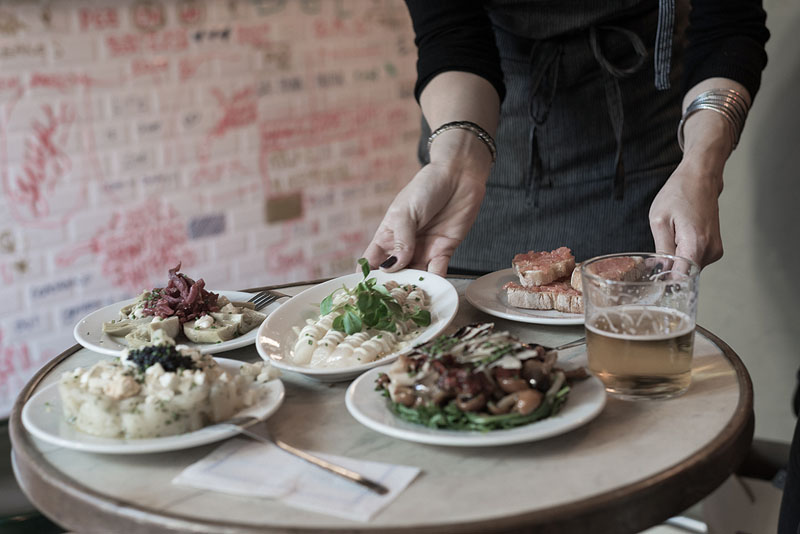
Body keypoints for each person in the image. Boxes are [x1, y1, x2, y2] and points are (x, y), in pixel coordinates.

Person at [363, 0, 769, 276]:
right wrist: (454, 167)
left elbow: (729, 25)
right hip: (487, 138)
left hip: (635, 151)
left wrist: (701, 168)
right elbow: (451, 34)